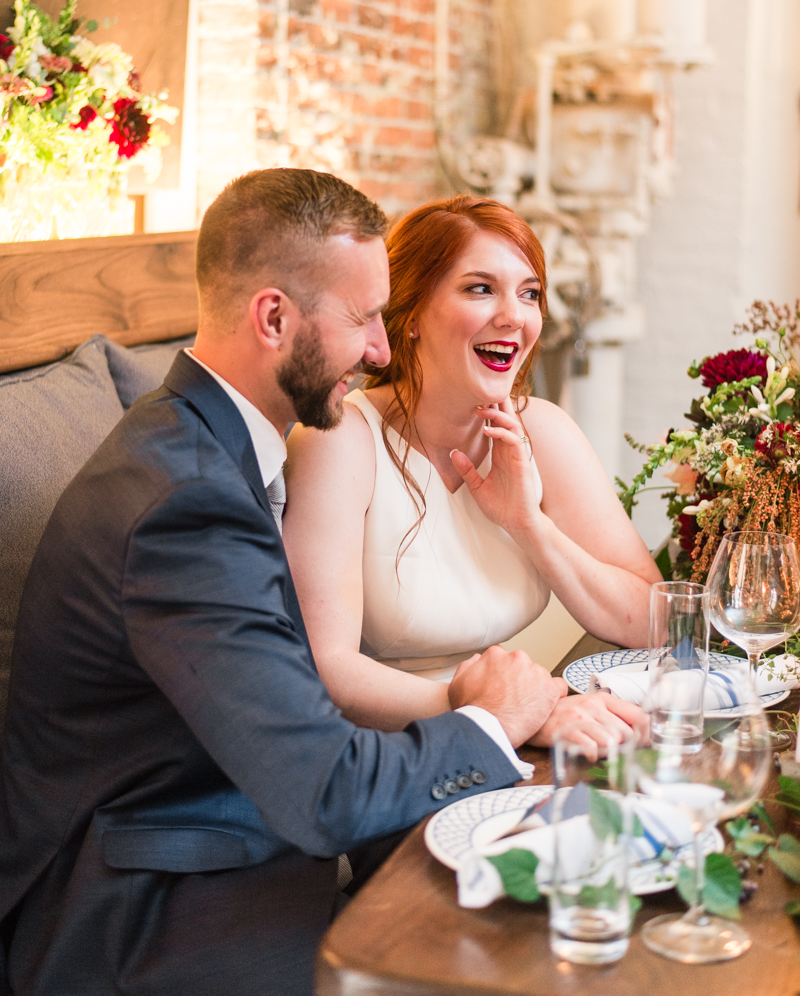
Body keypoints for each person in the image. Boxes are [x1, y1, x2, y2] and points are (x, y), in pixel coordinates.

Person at [0, 170, 644, 996]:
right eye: (365, 318)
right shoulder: (186, 501)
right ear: (274, 318)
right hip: (144, 906)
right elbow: (325, 789)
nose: (380, 349)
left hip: (246, 829)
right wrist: (495, 718)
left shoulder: (207, 446)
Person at [284, 195, 660, 735]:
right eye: (480, 289)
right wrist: (510, 714)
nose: (514, 317)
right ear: (411, 315)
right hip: (389, 750)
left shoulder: (543, 431)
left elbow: (652, 618)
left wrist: (530, 525)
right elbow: (327, 670)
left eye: (528, 294)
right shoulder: (339, 439)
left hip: (513, 731)